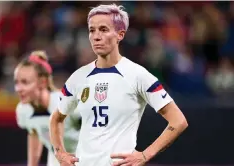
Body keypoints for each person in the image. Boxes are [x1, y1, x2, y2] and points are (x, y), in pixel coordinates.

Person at [50, 4, 188, 166]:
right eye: (92, 30)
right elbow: (56, 118)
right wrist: (60, 154)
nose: (96, 36)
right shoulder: (78, 77)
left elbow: (178, 121)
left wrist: (145, 155)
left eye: (103, 29)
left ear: (120, 35)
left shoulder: (137, 75)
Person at [14, 51, 80, 166]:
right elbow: (34, 132)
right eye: (17, 82)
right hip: (56, 159)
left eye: (25, 82)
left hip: (84, 157)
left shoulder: (65, 102)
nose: (18, 88)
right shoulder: (23, 110)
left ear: (43, 82)